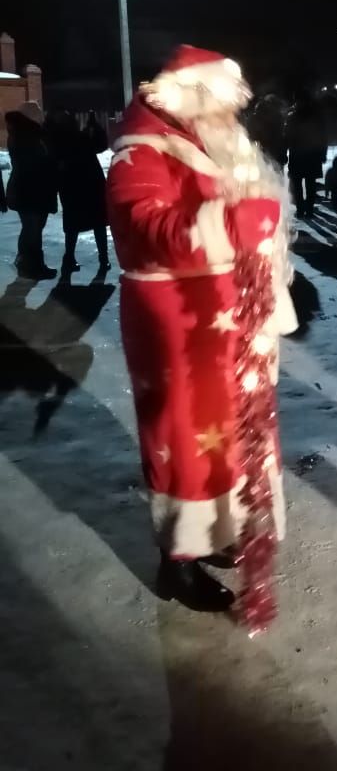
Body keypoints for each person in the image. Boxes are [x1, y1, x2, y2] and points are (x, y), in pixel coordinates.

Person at [106, 45, 298, 613]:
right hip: (179, 321)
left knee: (234, 435)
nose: (226, 115)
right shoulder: (140, 152)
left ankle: (216, 534)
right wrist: (230, 223)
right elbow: (143, 228)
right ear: (187, 97)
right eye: (215, 103)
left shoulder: (214, 142)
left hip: (231, 319)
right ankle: (177, 560)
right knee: (183, 442)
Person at [47, 111, 111, 274]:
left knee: (73, 225)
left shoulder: (56, 141)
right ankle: (103, 259)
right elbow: (101, 145)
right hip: (91, 186)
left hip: (71, 189)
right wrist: (94, 126)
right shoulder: (81, 138)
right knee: (98, 224)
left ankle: (69, 258)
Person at [5, 101, 59, 279]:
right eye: (38, 114)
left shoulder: (25, 134)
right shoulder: (27, 136)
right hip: (30, 190)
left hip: (28, 189)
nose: (41, 117)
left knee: (31, 228)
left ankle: (25, 261)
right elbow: (36, 162)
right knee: (33, 229)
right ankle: (33, 266)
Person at [286, 90, 327, 218]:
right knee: (309, 185)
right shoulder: (316, 116)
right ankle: (307, 210)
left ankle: (302, 210)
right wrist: (322, 153)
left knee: (301, 185)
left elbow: (287, 135)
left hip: (300, 154)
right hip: (310, 155)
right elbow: (323, 136)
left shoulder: (293, 116)